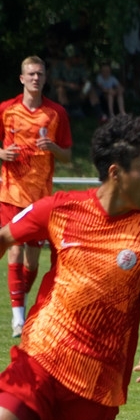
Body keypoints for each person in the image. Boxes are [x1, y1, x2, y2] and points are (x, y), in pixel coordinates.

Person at [0, 114, 140, 420]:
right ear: (116, 172)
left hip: (96, 385)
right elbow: (6, 236)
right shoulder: (60, 209)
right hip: (41, 357)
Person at [0, 56, 73, 338]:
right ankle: (18, 318)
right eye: (30, 74)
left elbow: (67, 156)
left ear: (45, 78)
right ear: (21, 78)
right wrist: (2, 153)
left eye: (39, 74)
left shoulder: (56, 113)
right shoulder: (6, 110)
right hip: (10, 194)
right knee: (14, 249)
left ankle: (22, 299)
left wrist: (52, 147)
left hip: (40, 201)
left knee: (32, 263)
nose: (35, 78)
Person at [49, 45, 100, 117]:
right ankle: (66, 114)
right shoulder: (59, 66)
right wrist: (68, 85)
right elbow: (54, 81)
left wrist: (84, 88)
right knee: (60, 90)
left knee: (91, 89)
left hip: (76, 93)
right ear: (69, 58)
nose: (78, 59)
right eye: (76, 57)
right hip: (60, 94)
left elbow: (86, 80)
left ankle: (100, 114)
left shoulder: (79, 67)